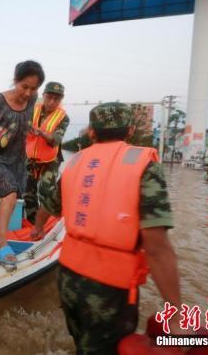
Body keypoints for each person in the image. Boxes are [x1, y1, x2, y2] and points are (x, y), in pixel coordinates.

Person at [32, 102, 182, 354]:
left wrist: (37, 229)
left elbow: (48, 207)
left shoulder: (73, 162)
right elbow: (157, 248)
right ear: (131, 130)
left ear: (91, 132)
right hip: (109, 289)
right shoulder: (144, 164)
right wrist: (176, 316)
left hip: (68, 278)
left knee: (82, 343)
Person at [0, 60, 45, 266]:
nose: (28, 93)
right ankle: (3, 244)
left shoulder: (33, 99)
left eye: (34, 88)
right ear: (15, 81)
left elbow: (22, 121)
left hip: (18, 159)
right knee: (10, 191)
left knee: (12, 200)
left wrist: (31, 128)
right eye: (24, 87)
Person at [24, 81, 70, 225]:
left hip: (51, 161)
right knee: (27, 193)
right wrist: (27, 128)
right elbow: (24, 126)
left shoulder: (63, 117)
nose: (51, 102)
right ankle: (32, 224)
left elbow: (56, 139)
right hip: (30, 158)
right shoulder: (33, 110)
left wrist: (42, 133)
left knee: (46, 191)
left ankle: (46, 224)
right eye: (49, 97)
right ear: (43, 95)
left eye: (56, 99)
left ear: (60, 100)